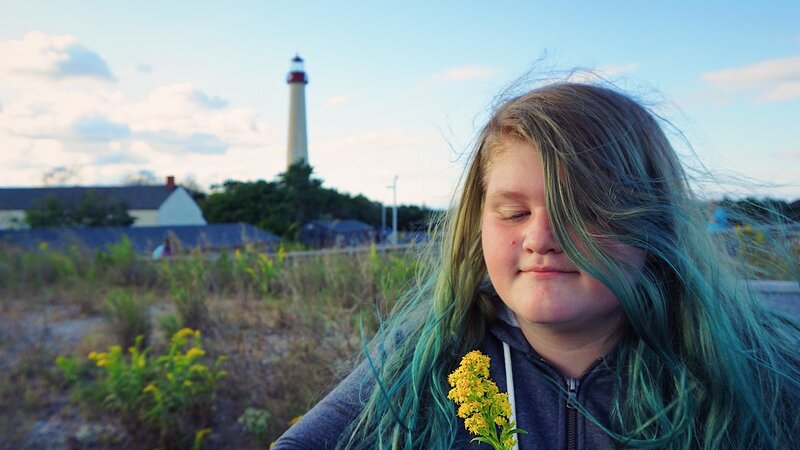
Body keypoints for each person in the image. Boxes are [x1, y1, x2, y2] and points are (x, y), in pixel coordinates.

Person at [272, 83, 800, 449]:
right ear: (477, 226)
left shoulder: (760, 375)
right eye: (514, 212)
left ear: (651, 223)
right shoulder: (422, 359)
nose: (541, 239)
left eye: (581, 211)